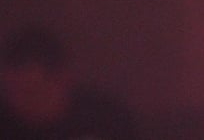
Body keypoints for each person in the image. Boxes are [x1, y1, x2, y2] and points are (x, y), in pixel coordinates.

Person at [0, 25, 138, 139]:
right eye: (12, 92)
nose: (20, 102)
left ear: (64, 79)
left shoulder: (105, 120)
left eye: (32, 92)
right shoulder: (6, 125)